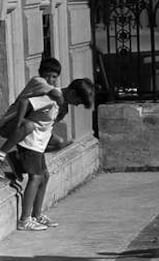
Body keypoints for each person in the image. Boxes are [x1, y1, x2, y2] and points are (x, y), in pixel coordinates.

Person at [16, 78, 94, 231]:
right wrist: (20, 124)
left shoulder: (63, 105)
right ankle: (24, 220)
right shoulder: (52, 97)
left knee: (44, 176)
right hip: (30, 141)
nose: (77, 104)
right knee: (36, 177)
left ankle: (36, 215)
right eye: (78, 99)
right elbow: (25, 103)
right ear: (72, 92)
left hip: (39, 143)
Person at [0, 57, 64, 180]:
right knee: (29, 126)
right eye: (47, 76)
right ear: (41, 74)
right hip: (11, 122)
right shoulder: (38, 82)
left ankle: (18, 158)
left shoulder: (48, 90)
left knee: (58, 142)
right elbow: (58, 96)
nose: (50, 80)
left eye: (54, 77)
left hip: (27, 128)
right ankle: (1, 155)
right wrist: (60, 99)